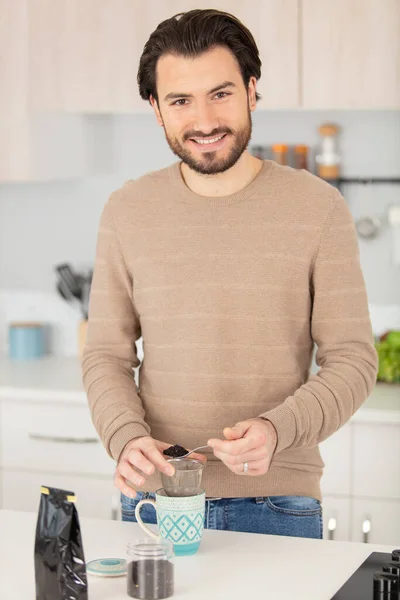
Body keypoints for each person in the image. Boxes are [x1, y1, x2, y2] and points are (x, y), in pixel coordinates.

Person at [82, 9, 378, 539]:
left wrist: (276, 429)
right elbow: (105, 353)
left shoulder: (318, 208)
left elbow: (352, 360)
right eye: (180, 101)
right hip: (156, 498)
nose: (204, 121)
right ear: (156, 109)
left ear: (252, 90)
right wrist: (124, 437)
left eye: (220, 93)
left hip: (279, 502)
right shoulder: (127, 210)